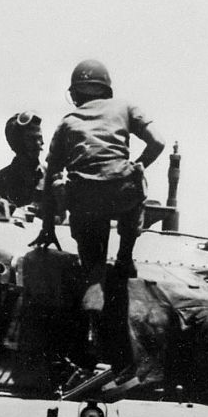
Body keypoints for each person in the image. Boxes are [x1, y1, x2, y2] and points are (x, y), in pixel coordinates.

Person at [34, 59, 165, 277]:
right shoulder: (125, 106)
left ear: (74, 94)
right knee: (137, 177)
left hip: (83, 199)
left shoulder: (67, 121)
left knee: (93, 276)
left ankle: (94, 284)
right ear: (107, 89)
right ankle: (125, 257)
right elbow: (158, 142)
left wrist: (48, 227)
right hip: (121, 193)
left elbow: (51, 175)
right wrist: (137, 167)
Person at [0, 110, 44, 209]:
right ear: (17, 143)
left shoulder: (50, 176)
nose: (39, 143)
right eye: (31, 139)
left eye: (39, 138)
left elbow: (62, 217)